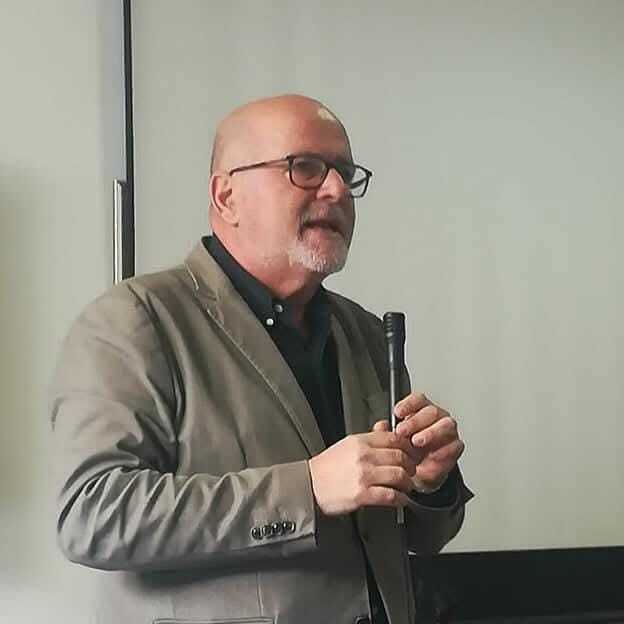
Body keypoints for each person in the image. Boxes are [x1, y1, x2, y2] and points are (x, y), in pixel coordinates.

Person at [51, 94, 473, 624]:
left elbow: (411, 536)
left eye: (345, 173)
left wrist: (429, 486)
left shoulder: (364, 331)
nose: (337, 190)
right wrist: (308, 489)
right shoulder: (136, 320)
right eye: (305, 167)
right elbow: (93, 515)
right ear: (226, 196)